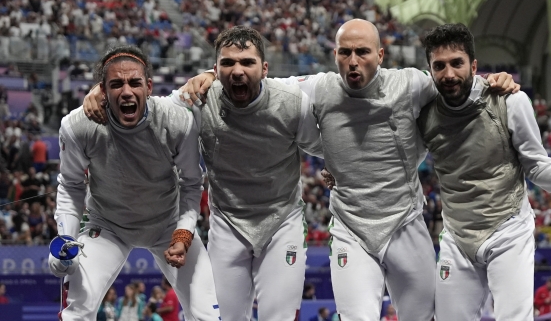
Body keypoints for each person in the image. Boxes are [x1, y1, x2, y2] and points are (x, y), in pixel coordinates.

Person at [175, 19, 517, 321]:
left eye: (362, 52)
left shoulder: (412, 84)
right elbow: (263, 83)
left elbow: (453, 80)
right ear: (335, 54)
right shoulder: (317, 88)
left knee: (423, 315)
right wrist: (211, 75)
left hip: (405, 222)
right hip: (351, 227)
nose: (353, 61)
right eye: (345, 52)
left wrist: (490, 80)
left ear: (380, 56)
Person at [83, 27, 323, 321]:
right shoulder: (198, 97)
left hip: (282, 222)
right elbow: (149, 105)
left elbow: (325, 143)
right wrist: (102, 90)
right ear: (215, 68)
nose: (237, 71)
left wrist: (337, 167)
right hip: (227, 225)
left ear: (264, 69)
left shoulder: (291, 100)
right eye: (228, 63)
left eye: (247, 62)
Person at [417, 23, 551, 321]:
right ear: (430, 69)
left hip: (508, 230)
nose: (448, 74)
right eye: (439, 66)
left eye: (456, 63)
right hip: (457, 238)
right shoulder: (423, 111)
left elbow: (538, 167)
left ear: (473, 66)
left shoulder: (510, 101)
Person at [49, 45, 219, 320]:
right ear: (102, 91)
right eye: (116, 84)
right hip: (107, 226)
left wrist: (184, 233)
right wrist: (66, 239)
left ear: (149, 86)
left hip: (168, 224)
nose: (126, 91)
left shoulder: (177, 121)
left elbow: (191, 184)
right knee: (75, 313)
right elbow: (70, 185)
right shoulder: (77, 125)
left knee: (209, 315)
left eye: (134, 83)